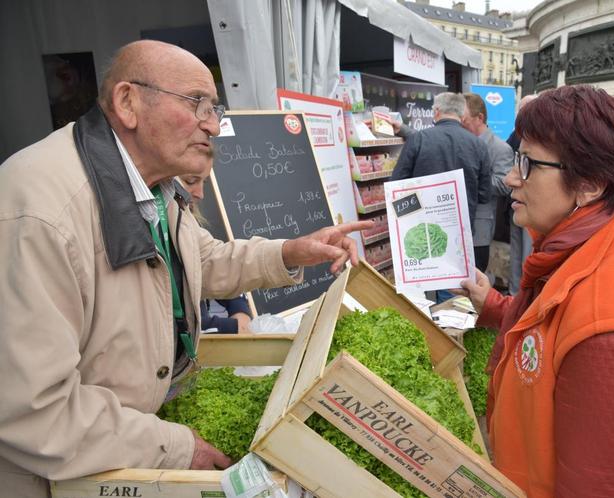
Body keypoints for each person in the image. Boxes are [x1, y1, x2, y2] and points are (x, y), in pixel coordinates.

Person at [0, 40, 372, 497]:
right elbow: (32, 410)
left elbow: (203, 260)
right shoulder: (41, 212)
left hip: (113, 451)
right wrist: (175, 447)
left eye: (215, 108)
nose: (213, 125)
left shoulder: (155, 188)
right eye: (197, 103)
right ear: (127, 102)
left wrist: (291, 252)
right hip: (51, 478)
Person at [455, 85, 614, 497]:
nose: (512, 177)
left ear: (590, 184)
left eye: (528, 163)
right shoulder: (599, 238)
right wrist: (496, 306)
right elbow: (559, 319)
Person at [390, 92, 491, 229]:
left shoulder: (419, 139)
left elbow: (397, 185)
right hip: (461, 229)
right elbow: (484, 195)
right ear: (461, 116)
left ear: (436, 112)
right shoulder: (479, 145)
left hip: (423, 227)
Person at [178, 170, 251, 333]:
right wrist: (233, 327)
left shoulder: (192, 222)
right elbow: (183, 323)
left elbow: (215, 267)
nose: (200, 194)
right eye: (190, 181)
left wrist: (239, 310)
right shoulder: (163, 229)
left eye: (203, 182)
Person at [461, 93, 514, 273]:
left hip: (479, 231)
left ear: (480, 118)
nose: (460, 125)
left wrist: (470, 179)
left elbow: (503, 184)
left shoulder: (500, 148)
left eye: (464, 120)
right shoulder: (460, 143)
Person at [506, 94, 537, 295]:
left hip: (529, 204)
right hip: (518, 204)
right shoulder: (516, 135)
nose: (509, 178)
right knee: (518, 251)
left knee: (527, 252)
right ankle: (517, 295)